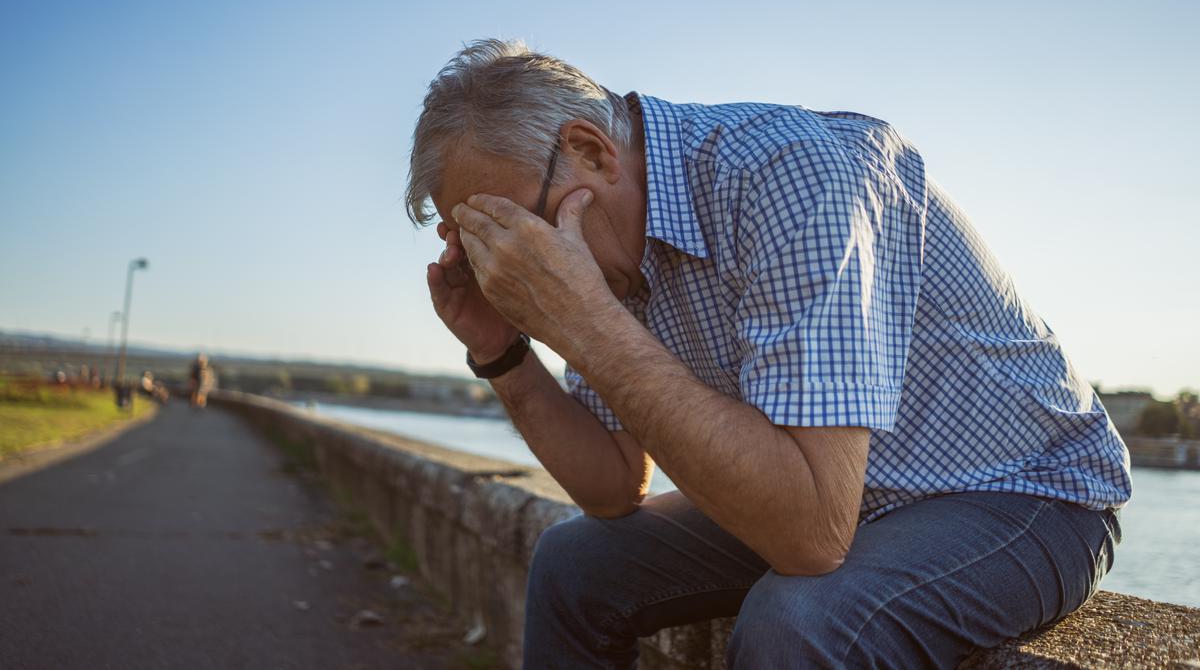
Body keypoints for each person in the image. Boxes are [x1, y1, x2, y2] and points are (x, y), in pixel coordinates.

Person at [406, 39, 1131, 668]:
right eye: (477, 239)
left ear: (591, 152)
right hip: (834, 494)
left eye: (511, 230)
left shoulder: (790, 174)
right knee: (571, 563)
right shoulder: (603, 252)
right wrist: (502, 350)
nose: (510, 263)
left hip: (1023, 494)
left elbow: (810, 538)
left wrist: (588, 323)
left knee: (804, 623)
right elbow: (613, 487)